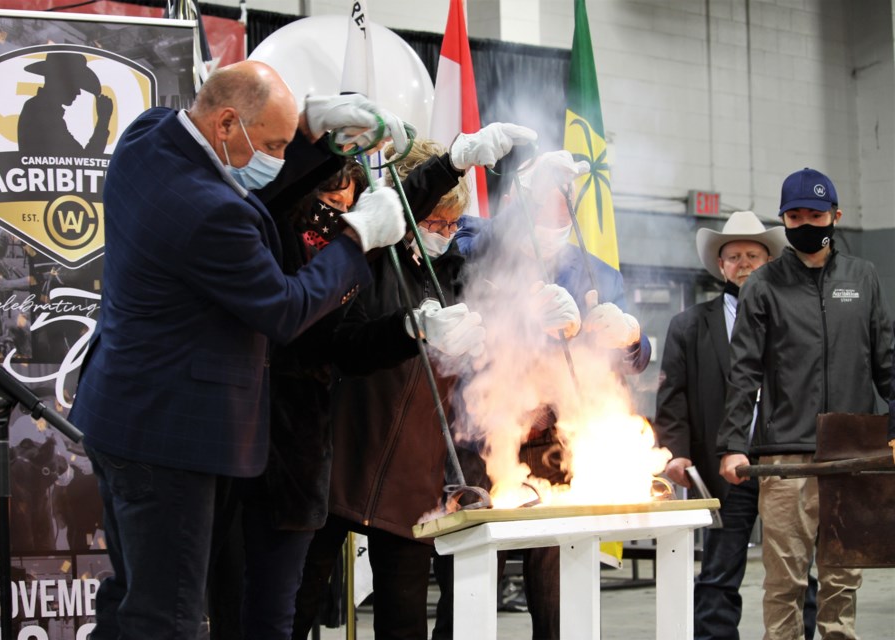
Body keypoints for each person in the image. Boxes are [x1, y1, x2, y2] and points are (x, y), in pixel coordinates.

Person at [68, 60, 411, 640]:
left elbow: (258, 184)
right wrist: (357, 240)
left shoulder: (147, 137)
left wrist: (311, 136)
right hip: (170, 438)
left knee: (132, 597)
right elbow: (287, 308)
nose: (278, 155)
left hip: (120, 415)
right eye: (274, 143)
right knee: (169, 617)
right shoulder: (210, 213)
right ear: (227, 122)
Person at [289, 130, 539, 640]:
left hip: (413, 473)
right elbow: (345, 344)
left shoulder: (452, 272)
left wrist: (532, 310)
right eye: (433, 220)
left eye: (452, 223)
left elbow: (502, 296)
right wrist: (411, 329)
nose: (444, 232)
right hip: (340, 455)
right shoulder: (368, 258)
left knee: (404, 621)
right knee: (295, 604)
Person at [434, 150, 652, 640]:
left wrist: (631, 335)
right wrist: (519, 210)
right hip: (481, 438)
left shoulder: (595, 271)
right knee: (469, 583)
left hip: (556, 443)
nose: (549, 219)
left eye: (559, 207)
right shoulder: (482, 247)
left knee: (558, 590)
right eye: (538, 207)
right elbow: (457, 242)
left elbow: (632, 359)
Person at [717, 168, 893, 640]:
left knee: (842, 583)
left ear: (835, 216)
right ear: (784, 222)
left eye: (815, 214)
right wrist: (735, 445)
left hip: (851, 455)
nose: (805, 223)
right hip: (784, 459)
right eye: (794, 216)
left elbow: (886, 362)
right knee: (784, 583)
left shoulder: (863, 278)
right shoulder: (764, 285)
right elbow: (745, 373)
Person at [654, 210, 820, 640]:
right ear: (720, 265)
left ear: (769, 261)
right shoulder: (689, 325)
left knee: (796, 570)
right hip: (724, 466)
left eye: (753, 255)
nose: (744, 263)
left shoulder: (798, 320)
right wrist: (676, 453)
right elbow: (672, 398)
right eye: (734, 256)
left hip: (786, 462)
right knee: (718, 572)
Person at [18, 51, 115, 155]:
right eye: (75, 85)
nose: (78, 92)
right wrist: (103, 119)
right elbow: (85, 159)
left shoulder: (41, 108)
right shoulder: (39, 110)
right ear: (59, 82)